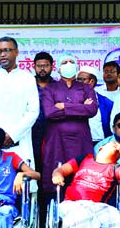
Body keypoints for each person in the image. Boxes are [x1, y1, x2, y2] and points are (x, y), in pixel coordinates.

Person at [41, 54, 97, 194]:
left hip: (80, 140)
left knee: (82, 175)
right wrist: (79, 107)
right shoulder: (50, 89)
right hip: (57, 140)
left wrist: (63, 106)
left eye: (71, 62)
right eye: (64, 62)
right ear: (58, 69)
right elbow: (49, 113)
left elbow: (91, 110)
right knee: (55, 178)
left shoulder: (86, 88)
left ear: (77, 66)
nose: (68, 64)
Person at [0, 36, 39, 165]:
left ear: (16, 52)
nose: (2, 54)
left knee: (21, 182)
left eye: (7, 50)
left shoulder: (27, 78)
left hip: (19, 142)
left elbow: (33, 111)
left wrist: (12, 135)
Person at [77, 66, 114, 146]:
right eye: (77, 80)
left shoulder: (107, 103)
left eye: (82, 79)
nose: (78, 83)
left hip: (100, 144)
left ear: (92, 81)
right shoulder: (70, 100)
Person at [32, 51, 55, 174]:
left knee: (50, 164)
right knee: (32, 163)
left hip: (51, 132)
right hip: (31, 132)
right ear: (34, 67)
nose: (42, 69)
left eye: (45, 65)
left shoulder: (57, 86)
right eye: (39, 66)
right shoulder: (28, 85)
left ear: (52, 67)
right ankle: (33, 192)